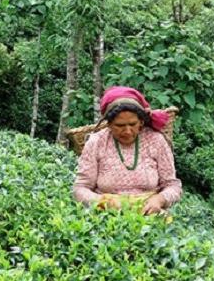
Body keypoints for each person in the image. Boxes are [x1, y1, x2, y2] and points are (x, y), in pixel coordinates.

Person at [73, 86, 182, 215]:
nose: (127, 131)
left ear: (141, 122)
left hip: (150, 214)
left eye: (132, 124)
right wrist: (103, 201)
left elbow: (173, 186)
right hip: (107, 215)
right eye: (119, 125)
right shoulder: (97, 142)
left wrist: (159, 200)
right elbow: (80, 189)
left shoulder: (156, 140)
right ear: (108, 124)